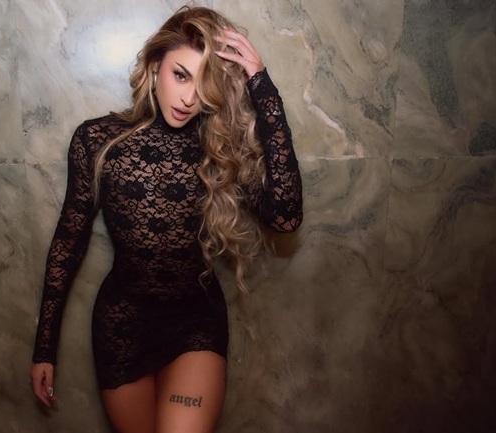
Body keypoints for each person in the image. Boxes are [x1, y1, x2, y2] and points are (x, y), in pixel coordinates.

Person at [31, 6, 303, 433]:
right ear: (156, 65)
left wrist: (261, 86)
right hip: (123, 325)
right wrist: (44, 348)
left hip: (195, 322)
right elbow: (69, 243)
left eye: (204, 83)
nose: (190, 98)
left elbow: (286, 217)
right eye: (181, 75)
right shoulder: (97, 141)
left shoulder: (220, 148)